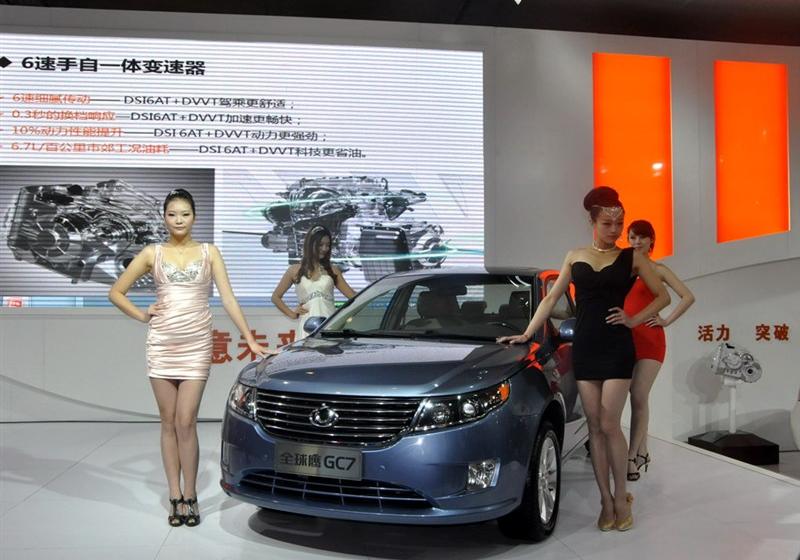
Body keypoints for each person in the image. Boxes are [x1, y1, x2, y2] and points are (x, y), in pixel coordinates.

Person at [498, 186, 669, 532]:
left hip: (618, 347)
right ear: (592, 222)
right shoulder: (574, 256)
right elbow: (550, 300)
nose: (615, 230)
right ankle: (605, 501)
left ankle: (621, 497)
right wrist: (527, 333)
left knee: (609, 424)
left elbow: (663, 296)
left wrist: (634, 319)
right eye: (608, 224)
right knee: (593, 426)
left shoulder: (632, 258)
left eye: (619, 224)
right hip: (586, 346)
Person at [108, 188, 275, 527]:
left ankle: (191, 493)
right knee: (168, 421)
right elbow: (116, 292)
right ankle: (175, 496)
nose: (179, 220)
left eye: (184, 214)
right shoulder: (152, 253)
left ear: (194, 217)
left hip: (196, 344)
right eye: (172, 214)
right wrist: (142, 315)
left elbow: (228, 299)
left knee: (186, 421)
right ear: (164, 218)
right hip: (162, 343)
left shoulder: (209, 252)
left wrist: (249, 339)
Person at [624, 220, 695, 481]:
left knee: (638, 395)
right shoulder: (624, 269)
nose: (637, 242)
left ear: (652, 241)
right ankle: (642, 450)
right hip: (623, 338)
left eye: (642, 237)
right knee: (632, 397)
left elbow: (687, 296)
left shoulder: (658, 269)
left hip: (650, 340)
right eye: (632, 237)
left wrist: (666, 320)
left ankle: (631, 457)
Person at [271, 225, 356, 339]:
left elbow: (353, 296)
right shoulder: (294, 270)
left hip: (330, 327)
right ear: (310, 244)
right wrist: (292, 314)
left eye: (327, 245)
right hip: (307, 327)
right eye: (320, 245)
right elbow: (275, 297)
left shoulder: (333, 270)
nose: (325, 249)